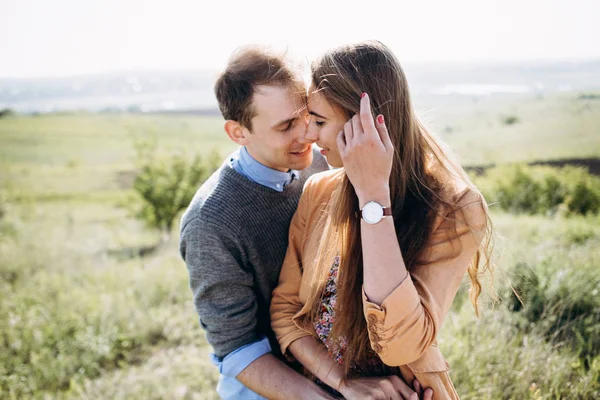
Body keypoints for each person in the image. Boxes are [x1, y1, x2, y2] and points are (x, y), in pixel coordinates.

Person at [271, 41, 493, 400]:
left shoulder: (454, 208)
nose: (309, 135)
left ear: (367, 124)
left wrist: (374, 198)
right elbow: (286, 313)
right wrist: (344, 383)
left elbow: (400, 346)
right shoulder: (319, 192)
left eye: (320, 121)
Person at [179, 45, 333, 399]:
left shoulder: (317, 164)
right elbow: (238, 349)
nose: (307, 134)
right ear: (238, 132)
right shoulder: (210, 222)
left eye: (306, 116)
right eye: (286, 126)